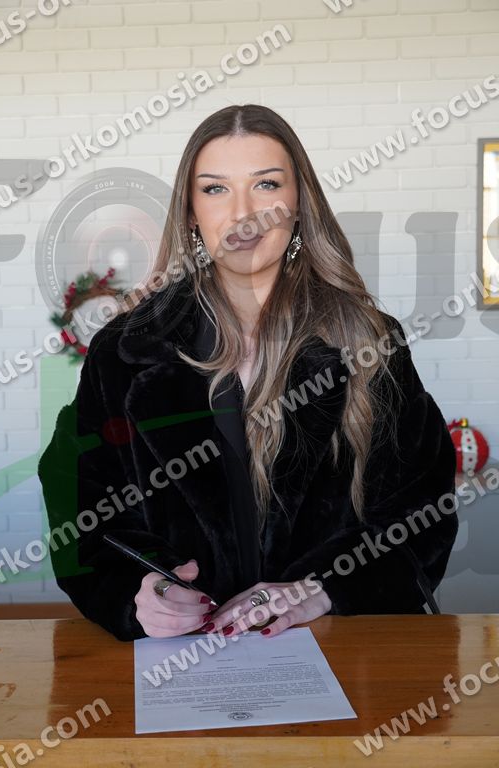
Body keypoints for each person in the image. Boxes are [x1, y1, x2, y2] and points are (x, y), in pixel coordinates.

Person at [38, 104, 458, 643]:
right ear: (191, 212)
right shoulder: (123, 351)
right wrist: (135, 593)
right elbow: (83, 513)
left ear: (300, 204)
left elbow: (423, 510)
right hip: (181, 661)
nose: (243, 214)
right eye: (215, 189)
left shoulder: (370, 342)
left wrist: (323, 589)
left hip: (337, 655)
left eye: (266, 184)